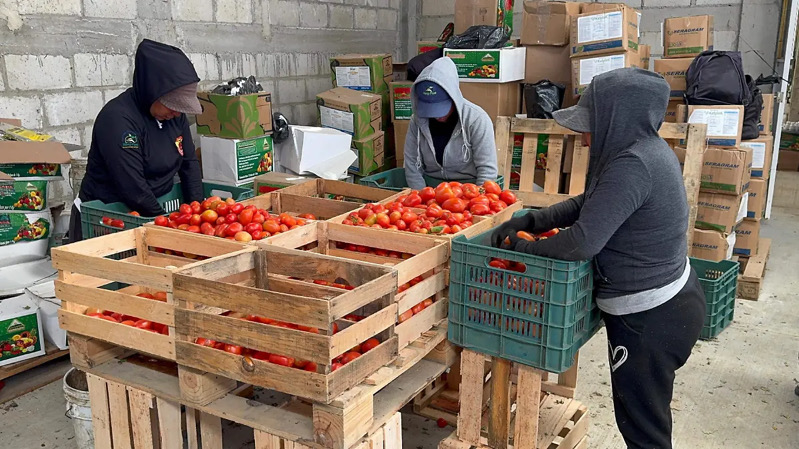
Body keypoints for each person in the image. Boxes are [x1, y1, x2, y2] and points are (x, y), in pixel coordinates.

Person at [491, 68, 706, 449]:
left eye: (592, 124)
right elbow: (591, 203)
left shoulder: (634, 164)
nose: (585, 136)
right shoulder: (641, 151)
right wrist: (536, 219)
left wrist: (523, 250)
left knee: (645, 432)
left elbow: (581, 243)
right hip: (669, 303)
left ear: (617, 120)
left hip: (651, 320)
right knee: (644, 421)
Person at [68, 39, 204, 242]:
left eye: (180, 108)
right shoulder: (118, 119)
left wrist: (197, 215)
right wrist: (167, 227)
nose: (176, 113)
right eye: (171, 105)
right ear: (153, 92)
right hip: (107, 220)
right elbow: (133, 187)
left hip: (150, 214)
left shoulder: (176, 118)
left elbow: (189, 165)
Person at [404, 57, 497, 190]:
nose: (437, 116)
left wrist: (477, 201)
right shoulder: (416, 121)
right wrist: (420, 199)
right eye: (430, 109)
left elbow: (487, 171)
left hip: (469, 191)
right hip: (431, 192)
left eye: (441, 108)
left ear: (454, 97)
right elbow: (412, 166)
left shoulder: (476, 120)